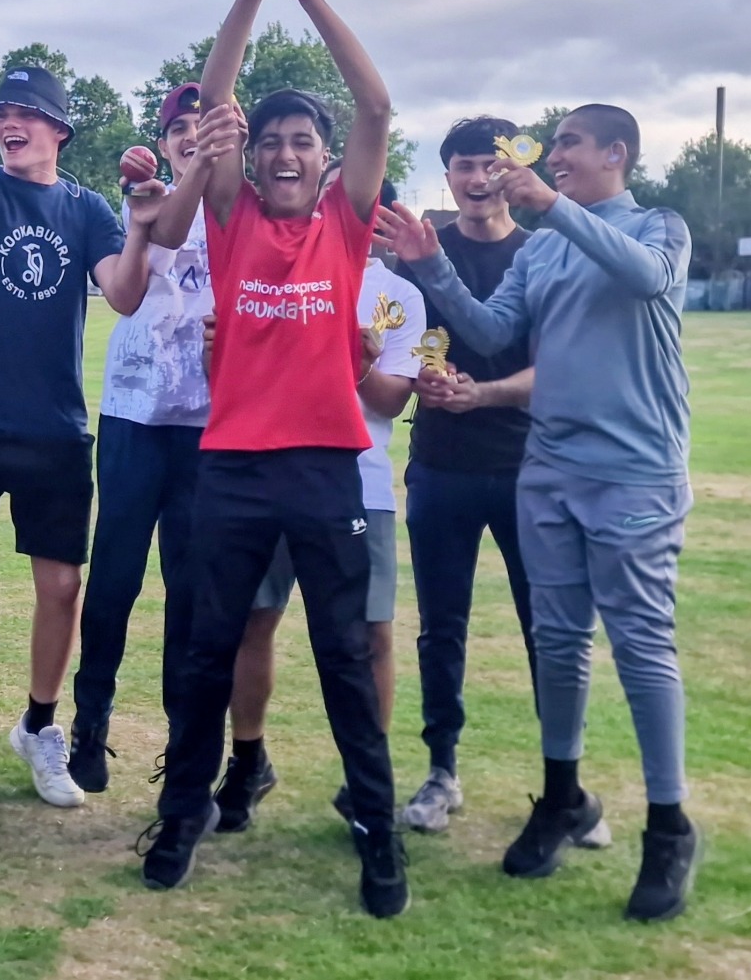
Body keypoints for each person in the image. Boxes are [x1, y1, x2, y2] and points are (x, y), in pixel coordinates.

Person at [140, 0, 408, 918]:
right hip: (234, 468)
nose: (286, 153)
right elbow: (214, 99)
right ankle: (180, 818)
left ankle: (378, 839)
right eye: (271, 142)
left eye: (304, 141)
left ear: (327, 160)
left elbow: (375, 103)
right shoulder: (232, 213)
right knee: (208, 649)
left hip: (325, 466)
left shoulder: (344, 218)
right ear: (247, 161)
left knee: (343, 656)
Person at [378, 104, 699, 922]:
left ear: (615, 153)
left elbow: (644, 278)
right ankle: (561, 796)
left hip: (634, 472)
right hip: (547, 468)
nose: (553, 156)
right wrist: (432, 267)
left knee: (640, 644)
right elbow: (491, 331)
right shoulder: (547, 245)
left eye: (568, 144)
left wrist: (552, 208)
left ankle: (669, 826)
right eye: (552, 146)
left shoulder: (659, 226)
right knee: (558, 642)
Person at [0, 45, 163, 826]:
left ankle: (39, 726)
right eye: (0, 117)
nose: (9, 126)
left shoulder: (85, 209)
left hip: (52, 428)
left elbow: (122, 292)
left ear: (58, 128)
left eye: (23, 115)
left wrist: (143, 228)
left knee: (61, 588)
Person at [217, 174, 424, 833]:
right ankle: (248, 760)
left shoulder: (400, 296)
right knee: (255, 619)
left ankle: (368, 783)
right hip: (265, 475)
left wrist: (357, 364)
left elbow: (394, 398)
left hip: (358, 482)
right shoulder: (271, 264)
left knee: (370, 636)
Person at [391, 117, 539, 834]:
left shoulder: (541, 255)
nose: (477, 180)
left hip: (524, 467)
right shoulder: (422, 252)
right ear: (445, 175)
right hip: (442, 466)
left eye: (489, 166)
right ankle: (440, 770)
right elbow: (407, 338)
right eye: (462, 167)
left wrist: (483, 392)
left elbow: (557, 370)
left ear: (510, 173)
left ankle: (560, 783)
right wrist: (423, 372)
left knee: (547, 626)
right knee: (440, 627)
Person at [67, 83, 214, 793]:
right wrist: (140, 205)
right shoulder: (146, 198)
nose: (190, 135)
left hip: (208, 421)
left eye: (201, 124)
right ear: (162, 142)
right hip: (134, 412)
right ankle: (90, 724)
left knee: (189, 589)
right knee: (115, 578)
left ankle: (184, 743)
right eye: (177, 127)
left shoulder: (238, 206)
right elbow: (123, 288)